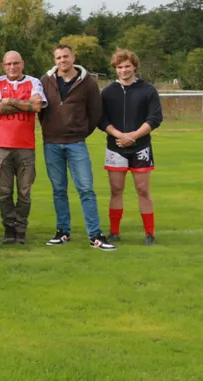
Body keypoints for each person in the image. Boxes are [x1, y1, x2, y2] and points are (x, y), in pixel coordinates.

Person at [39, 44, 116, 251]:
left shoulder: (88, 83)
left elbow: (95, 113)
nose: (62, 61)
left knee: (86, 189)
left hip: (76, 144)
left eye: (65, 57)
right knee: (59, 190)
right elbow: (40, 110)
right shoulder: (45, 80)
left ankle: (95, 235)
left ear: (73, 57)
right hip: (51, 144)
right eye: (58, 58)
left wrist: (79, 131)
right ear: (54, 60)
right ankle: (62, 231)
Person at [99, 49, 163, 246]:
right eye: (119, 67)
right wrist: (120, 136)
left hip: (141, 147)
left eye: (127, 66)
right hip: (115, 147)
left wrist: (133, 136)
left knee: (143, 190)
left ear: (134, 66)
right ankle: (114, 232)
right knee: (116, 190)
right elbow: (101, 120)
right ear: (115, 69)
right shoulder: (108, 92)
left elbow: (155, 118)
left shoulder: (148, 89)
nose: (123, 70)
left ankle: (149, 233)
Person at [0, 51, 47, 245]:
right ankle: (8, 229)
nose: (12, 67)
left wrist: (11, 101)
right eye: (8, 64)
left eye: (16, 63)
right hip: (2, 146)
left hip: (25, 147)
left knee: (24, 193)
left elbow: (37, 105)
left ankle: (21, 229)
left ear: (22, 64)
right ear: (3, 66)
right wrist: (24, 104)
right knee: (5, 192)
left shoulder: (33, 82)